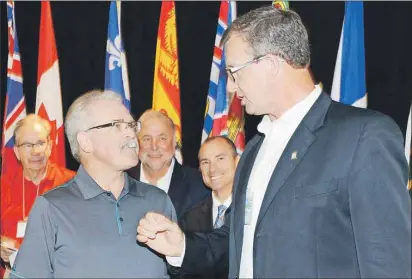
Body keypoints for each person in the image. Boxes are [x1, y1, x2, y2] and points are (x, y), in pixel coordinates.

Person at [136, 5, 411, 279]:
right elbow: (239, 242)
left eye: (234, 72)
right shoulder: (254, 150)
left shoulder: (363, 137)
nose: (230, 86)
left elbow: (386, 261)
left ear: (271, 65)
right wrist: (181, 247)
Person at [10, 90, 179, 278]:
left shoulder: (158, 200)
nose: (131, 133)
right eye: (117, 125)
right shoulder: (51, 208)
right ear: (85, 142)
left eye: (131, 125)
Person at [1, 114, 75, 276]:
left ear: (49, 146)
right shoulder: (3, 185)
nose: (35, 151)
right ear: (16, 152)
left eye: (40, 143)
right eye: (27, 145)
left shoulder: (72, 184)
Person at [127, 109, 210, 219]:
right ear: (136, 142)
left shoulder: (200, 185)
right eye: (146, 139)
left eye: (162, 138)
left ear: (174, 141)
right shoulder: (121, 180)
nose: (154, 146)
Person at [179, 136, 239, 279]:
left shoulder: (251, 211)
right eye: (206, 162)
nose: (213, 169)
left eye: (220, 159)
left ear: (237, 162)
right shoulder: (190, 218)